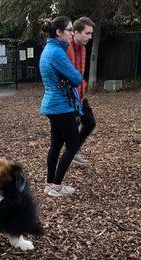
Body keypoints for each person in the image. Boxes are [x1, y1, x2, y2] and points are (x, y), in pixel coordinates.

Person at [39, 16, 83, 197]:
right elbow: (77, 78)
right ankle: (56, 186)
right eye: (70, 30)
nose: (72, 34)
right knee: (73, 144)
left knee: (56, 145)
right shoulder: (56, 53)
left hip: (52, 105)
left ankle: (50, 183)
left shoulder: (49, 49)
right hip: (61, 106)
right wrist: (69, 77)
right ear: (59, 32)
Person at [67, 16, 97, 166]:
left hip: (80, 95)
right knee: (66, 133)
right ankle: (71, 152)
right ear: (76, 33)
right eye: (87, 33)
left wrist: (82, 89)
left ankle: (74, 150)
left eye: (91, 34)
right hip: (69, 97)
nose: (90, 37)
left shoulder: (83, 48)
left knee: (90, 122)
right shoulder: (67, 48)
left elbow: (79, 73)